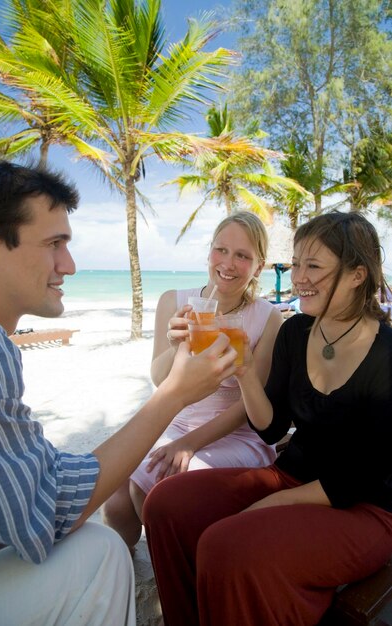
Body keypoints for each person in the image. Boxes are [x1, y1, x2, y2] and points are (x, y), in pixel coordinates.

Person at [0, 160, 239, 626]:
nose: (70, 266)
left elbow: (27, 482)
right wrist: (174, 395)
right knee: (101, 552)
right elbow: (45, 510)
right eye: (54, 244)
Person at [143, 211, 392, 626]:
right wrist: (244, 374)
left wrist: (263, 505)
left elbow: (355, 480)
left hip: (365, 508)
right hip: (290, 475)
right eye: (296, 264)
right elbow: (273, 427)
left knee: (227, 546)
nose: (298, 278)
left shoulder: (386, 354)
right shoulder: (297, 333)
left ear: (356, 275)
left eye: (313, 266)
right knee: (166, 505)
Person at [102, 211, 283, 550]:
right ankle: (122, 570)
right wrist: (175, 346)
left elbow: (249, 407)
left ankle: (181, 571)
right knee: (115, 501)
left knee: (149, 487)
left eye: (243, 256)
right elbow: (159, 377)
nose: (228, 263)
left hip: (235, 433)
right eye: (221, 250)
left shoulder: (268, 319)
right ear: (209, 253)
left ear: (258, 267)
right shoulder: (174, 301)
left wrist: (190, 444)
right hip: (177, 421)